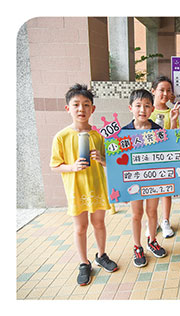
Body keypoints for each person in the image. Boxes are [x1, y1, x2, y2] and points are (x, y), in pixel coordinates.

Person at [50, 84, 118, 285]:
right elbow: (54, 165)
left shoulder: (98, 136)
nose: (81, 109)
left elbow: (110, 162)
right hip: (76, 190)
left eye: (86, 105)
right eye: (76, 105)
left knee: (99, 223)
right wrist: (71, 167)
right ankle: (83, 262)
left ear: (93, 109)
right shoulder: (61, 136)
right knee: (80, 227)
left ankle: (102, 254)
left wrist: (102, 159)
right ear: (68, 108)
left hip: (97, 187)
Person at [122, 89, 167, 267]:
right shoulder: (124, 133)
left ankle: (152, 240)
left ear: (153, 109)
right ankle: (137, 246)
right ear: (130, 108)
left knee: (152, 211)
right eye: (138, 105)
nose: (142, 109)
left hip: (153, 179)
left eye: (147, 106)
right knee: (136, 214)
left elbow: (167, 155)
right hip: (134, 181)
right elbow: (118, 163)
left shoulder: (159, 131)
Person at [147, 76, 180, 239]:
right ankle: (152, 223)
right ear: (153, 91)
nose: (165, 94)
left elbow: (175, 137)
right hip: (149, 159)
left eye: (168, 91)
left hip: (166, 158)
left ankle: (165, 221)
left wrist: (173, 121)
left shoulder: (171, 111)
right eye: (162, 90)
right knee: (151, 192)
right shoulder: (147, 111)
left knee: (167, 191)